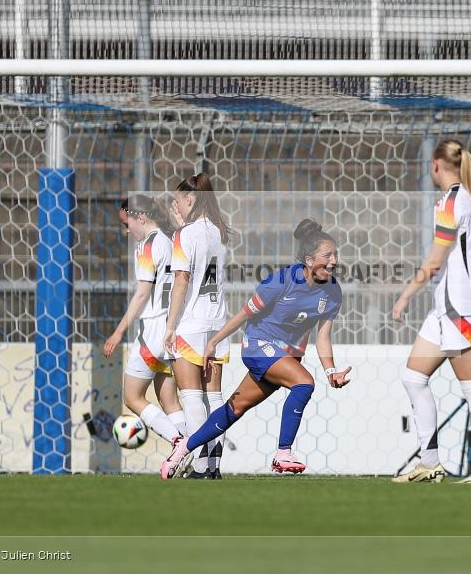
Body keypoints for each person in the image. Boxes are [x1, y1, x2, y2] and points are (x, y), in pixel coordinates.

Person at [160, 218, 352, 479]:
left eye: (335, 254)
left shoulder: (333, 292)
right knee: (304, 383)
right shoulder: (281, 282)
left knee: (233, 409)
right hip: (258, 346)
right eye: (327, 255)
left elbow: (323, 337)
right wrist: (214, 341)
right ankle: (283, 453)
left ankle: (183, 448)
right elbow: (243, 315)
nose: (333, 261)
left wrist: (331, 372)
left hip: (282, 357)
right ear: (308, 260)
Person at [391, 140, 471, 484]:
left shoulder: (450, 203)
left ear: (435, 165)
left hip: (460, 312)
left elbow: (435, 261)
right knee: (414, 378)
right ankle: (430, 464)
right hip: (446, 310)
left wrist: (404, 297)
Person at [162, 174, 231, 479]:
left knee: (191, 396)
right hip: (217, 324)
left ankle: (201, 467)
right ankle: (214, 467)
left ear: (189, 200)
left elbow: (182, 280)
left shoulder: (184, 236)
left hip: (190, 324)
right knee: (213, 397)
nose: (174, 206)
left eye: (177, 201)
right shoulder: (219, 232)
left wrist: (169, 326)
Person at [103, 196, 187, 444]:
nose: (127, 231)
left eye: (127, 223)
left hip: (152, 331)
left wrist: (118, 332)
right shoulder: (172, 241)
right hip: (172, 328)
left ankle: (178, 442)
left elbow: (142, 294)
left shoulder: (147, 247)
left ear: (140, 217)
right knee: (168, 400)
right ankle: (190, 451)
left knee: (132, 397)